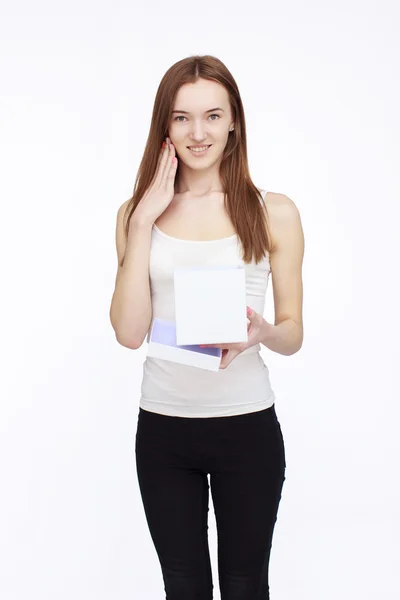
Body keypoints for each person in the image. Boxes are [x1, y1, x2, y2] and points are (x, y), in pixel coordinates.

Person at [110, 55, 304, 600]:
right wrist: (146, 220)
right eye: (182, 118)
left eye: (213, 116)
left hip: (246, 426)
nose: (199, 133)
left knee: (245, 586)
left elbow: (293, 333)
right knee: (184, 588)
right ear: (164, 126)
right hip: (165, 429)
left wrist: (261, 333)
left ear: (234, 121)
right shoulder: (134, 214)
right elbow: (128, 332)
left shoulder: (274, 212)